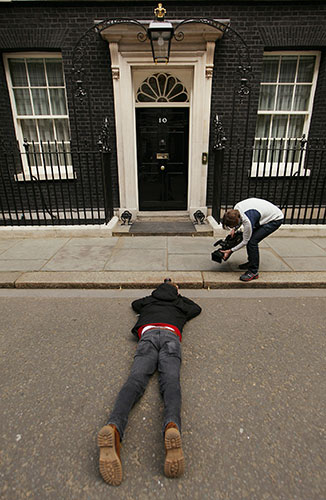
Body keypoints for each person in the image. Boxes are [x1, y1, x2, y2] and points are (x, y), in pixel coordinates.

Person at [97, 279, 202, 486]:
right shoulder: (179, 303)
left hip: (148, 336)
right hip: (171, 336)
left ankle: (114, 427)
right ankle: (172, 425)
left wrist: (153, 296)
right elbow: (196, 309)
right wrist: (178, 296)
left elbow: (135, 304)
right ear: (176, 291)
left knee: (135, 381)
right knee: (170, 382)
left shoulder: (150, 301)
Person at [221, 197, 284, 282]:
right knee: (250, 238)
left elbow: (245, 241)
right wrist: (234, 229)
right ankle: (251, 262)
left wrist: (231, 250)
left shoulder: (248, 222)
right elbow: (238, 220)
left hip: (275, 219)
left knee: (252, 242)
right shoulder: (236, 209)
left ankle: (253, 272)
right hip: (262, 213)